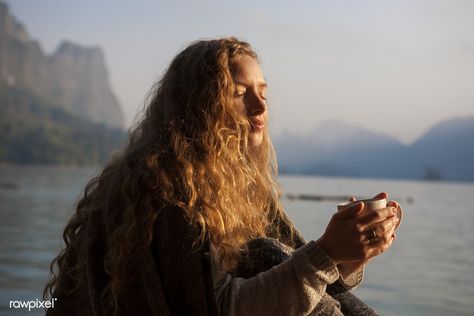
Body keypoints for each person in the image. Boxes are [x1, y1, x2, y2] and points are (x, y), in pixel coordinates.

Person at [43, 37, 401, 315]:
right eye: (240, 93)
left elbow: (308, 275)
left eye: (263, 93)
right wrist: (326, 254)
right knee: (266, 255)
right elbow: (222, 309)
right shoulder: (167, 194)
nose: (260, 107)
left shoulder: (242, 187)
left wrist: (352, 255)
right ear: (199, 107)